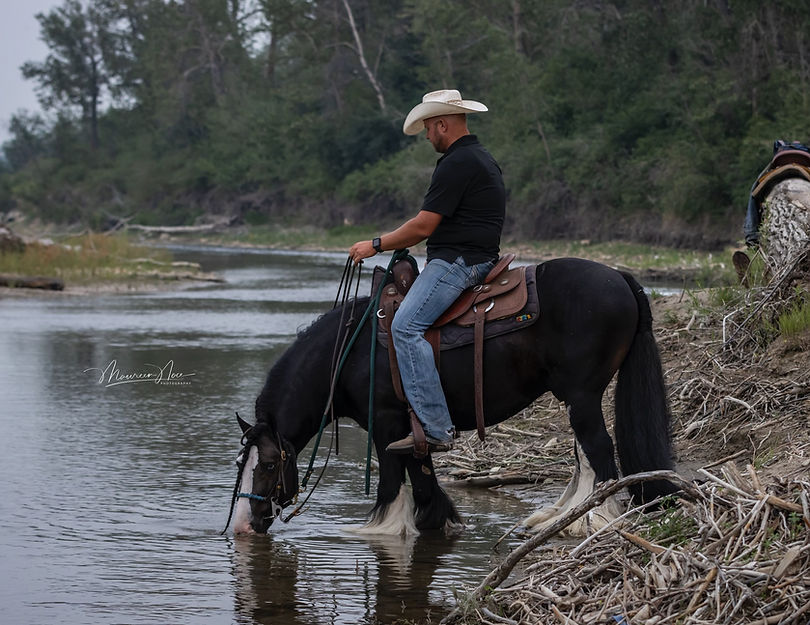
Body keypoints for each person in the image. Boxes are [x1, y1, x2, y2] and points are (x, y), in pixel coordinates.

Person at [349, 89, 506, 454]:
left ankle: (437, 428)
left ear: (442, 124)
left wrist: (375, 244)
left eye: (428, 128)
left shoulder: (457, 163)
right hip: (471, 255)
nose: (426, 136)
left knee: (405, 326)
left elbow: (423, 226)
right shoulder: (479, 157)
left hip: (459, 262)